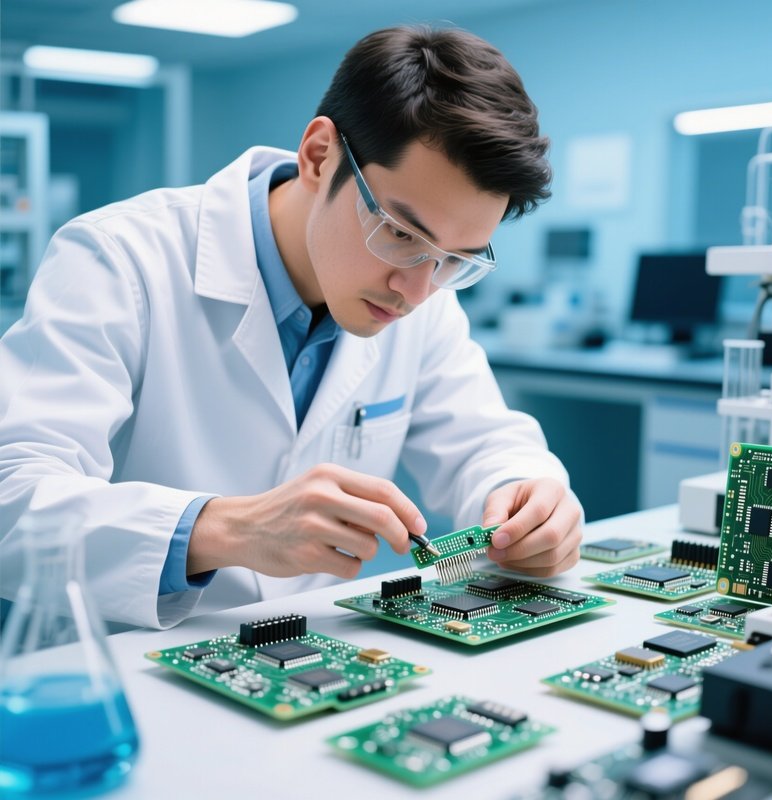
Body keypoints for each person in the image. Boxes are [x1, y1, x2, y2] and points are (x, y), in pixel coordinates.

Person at [0, 25, 583, 629]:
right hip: (117, 667)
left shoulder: (422, 291)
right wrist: (224, 529)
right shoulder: (119, 257)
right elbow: (13, 499)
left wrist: (528, 493)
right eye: (401, 234)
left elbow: (484, 443)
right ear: (318, 156)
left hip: (308, 666)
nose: (417, 290)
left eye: (456, 261)